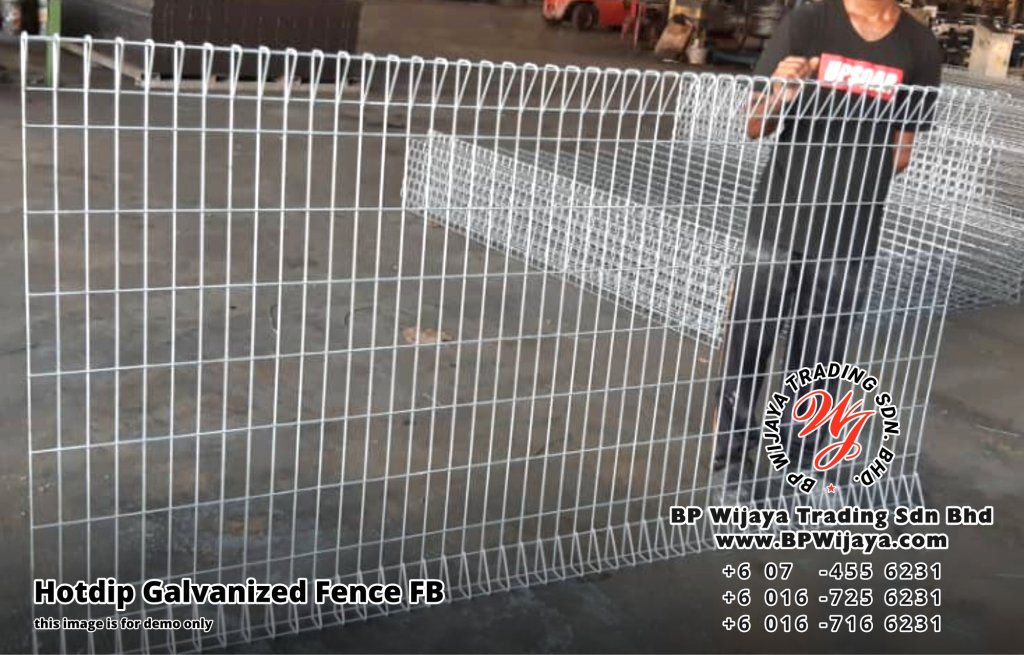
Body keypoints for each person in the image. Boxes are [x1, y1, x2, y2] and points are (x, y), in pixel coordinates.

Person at [710, 0, 943, 504]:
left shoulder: (920, 46)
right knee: (749, 344)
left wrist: (858, 167)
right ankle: (732, 463)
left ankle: (800, 463)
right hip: (779, 221)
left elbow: (902, 153)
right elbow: (755, 125)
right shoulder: (809, 23)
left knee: (819, 358)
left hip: (850, 232)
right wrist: (781, 91)